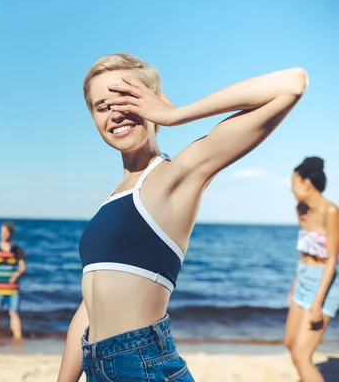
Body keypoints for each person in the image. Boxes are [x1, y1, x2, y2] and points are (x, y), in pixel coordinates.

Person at [56, 53, 308, 381]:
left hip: (142, 365)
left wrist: (176, 114)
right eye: (102, 106)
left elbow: (292, 83)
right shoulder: (113, 198)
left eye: (128, 98)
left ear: (154, 102)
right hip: (99, 365)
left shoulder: (177, 175)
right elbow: (90, 305)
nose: (116, 112)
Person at [284, 156, 338, 382]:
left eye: (294, 184)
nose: (291, 189)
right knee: (290, 343)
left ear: (307, 183)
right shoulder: (301, 210)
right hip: (304, 278)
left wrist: (318, 303)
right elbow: (304, 253)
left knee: (301, 356)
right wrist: (294, 287)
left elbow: (332, 260)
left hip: (324, 283)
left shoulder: (331, 212)